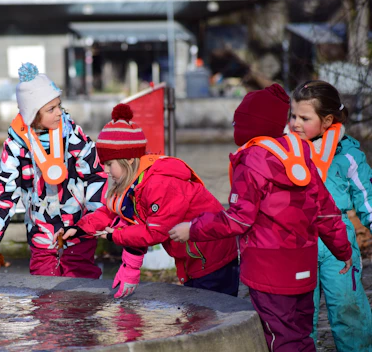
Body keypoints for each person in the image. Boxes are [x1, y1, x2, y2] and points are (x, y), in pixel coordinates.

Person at [169, 83, 353, 352]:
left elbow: (239, 219)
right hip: (303, 266)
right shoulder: (299, 153)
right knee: (300, 335)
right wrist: (343, 249)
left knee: (277, 337)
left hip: (269, 272)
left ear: (248, 126)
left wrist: (193, 228)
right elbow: (325, 209)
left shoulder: (250, 160)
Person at [58, 103, 239, 298]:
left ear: (128, 160)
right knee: (196, 314)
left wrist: (115, 235)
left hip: (211, 258)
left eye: (110, 164)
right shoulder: (133, 182)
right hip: (192, 258)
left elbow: (155, 232)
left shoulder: (159, 184)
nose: (107, 171)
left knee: (211, 313)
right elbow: (110, 212)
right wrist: (81, 228)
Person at [0, 62, 107, 278]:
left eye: (59, 105)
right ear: (32, 114)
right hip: (40, 228)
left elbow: (95, 173)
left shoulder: (72, 134)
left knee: (82, 284)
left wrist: (96, 217)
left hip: (78, 225)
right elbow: (5, 189)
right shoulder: (16, 144)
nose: (59, 113)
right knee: (43, 286)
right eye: (51, 109)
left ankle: (82, 313)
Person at [289, 80, 372, 352]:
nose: (295, 123)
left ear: (327, 121)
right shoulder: (284, 152)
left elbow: (366, 196)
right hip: (296, 239)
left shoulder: (347, 154)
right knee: (300, 314)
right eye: (292, 116)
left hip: (338, 240)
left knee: (348, 308)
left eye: (304, 117)